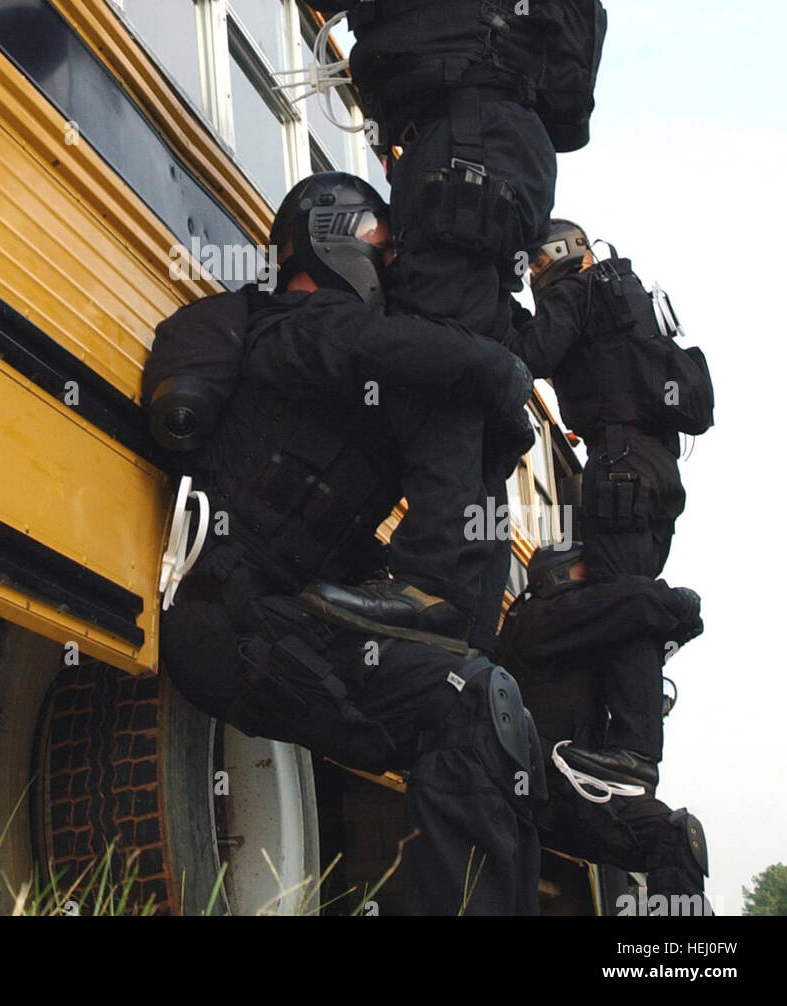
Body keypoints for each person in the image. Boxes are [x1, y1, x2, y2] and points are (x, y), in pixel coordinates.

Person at [188, 0, 604, 649]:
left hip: (468, 141)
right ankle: (461, 625)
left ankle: (435, 587)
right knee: (468, 357)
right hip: (471, 144)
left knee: (443, 348)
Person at [144, 172, 544, 915]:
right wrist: (493, 366)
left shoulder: (375, 376)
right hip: (226, 621)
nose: (389, 263)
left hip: (290, 624)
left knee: (486, 709)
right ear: (327, 235)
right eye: (380, 245)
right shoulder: (281, 331)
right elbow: (371, 345)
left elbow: (424, 385)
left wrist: (492, 437)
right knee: (466, 702)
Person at [505, 221, 714, 788]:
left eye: (532, 270)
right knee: (622, 608)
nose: (531, 282)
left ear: (551, 258)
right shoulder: (625, 300)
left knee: (621, 603)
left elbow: (534, 353)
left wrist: (493, 312)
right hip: (657, 467)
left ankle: (635, 749)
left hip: (618, 463)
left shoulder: (576, 292)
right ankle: (627, 742)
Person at [498, 544, 711, 910]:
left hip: (579, 790)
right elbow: (631, 601)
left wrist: (674, 627)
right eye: (589, 574)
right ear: (559, 575)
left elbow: (627, 617)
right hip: (540, 786)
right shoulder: (539, 619)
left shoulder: (579, 635)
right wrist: (672, 603)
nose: (599, 586)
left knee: (676, 839)